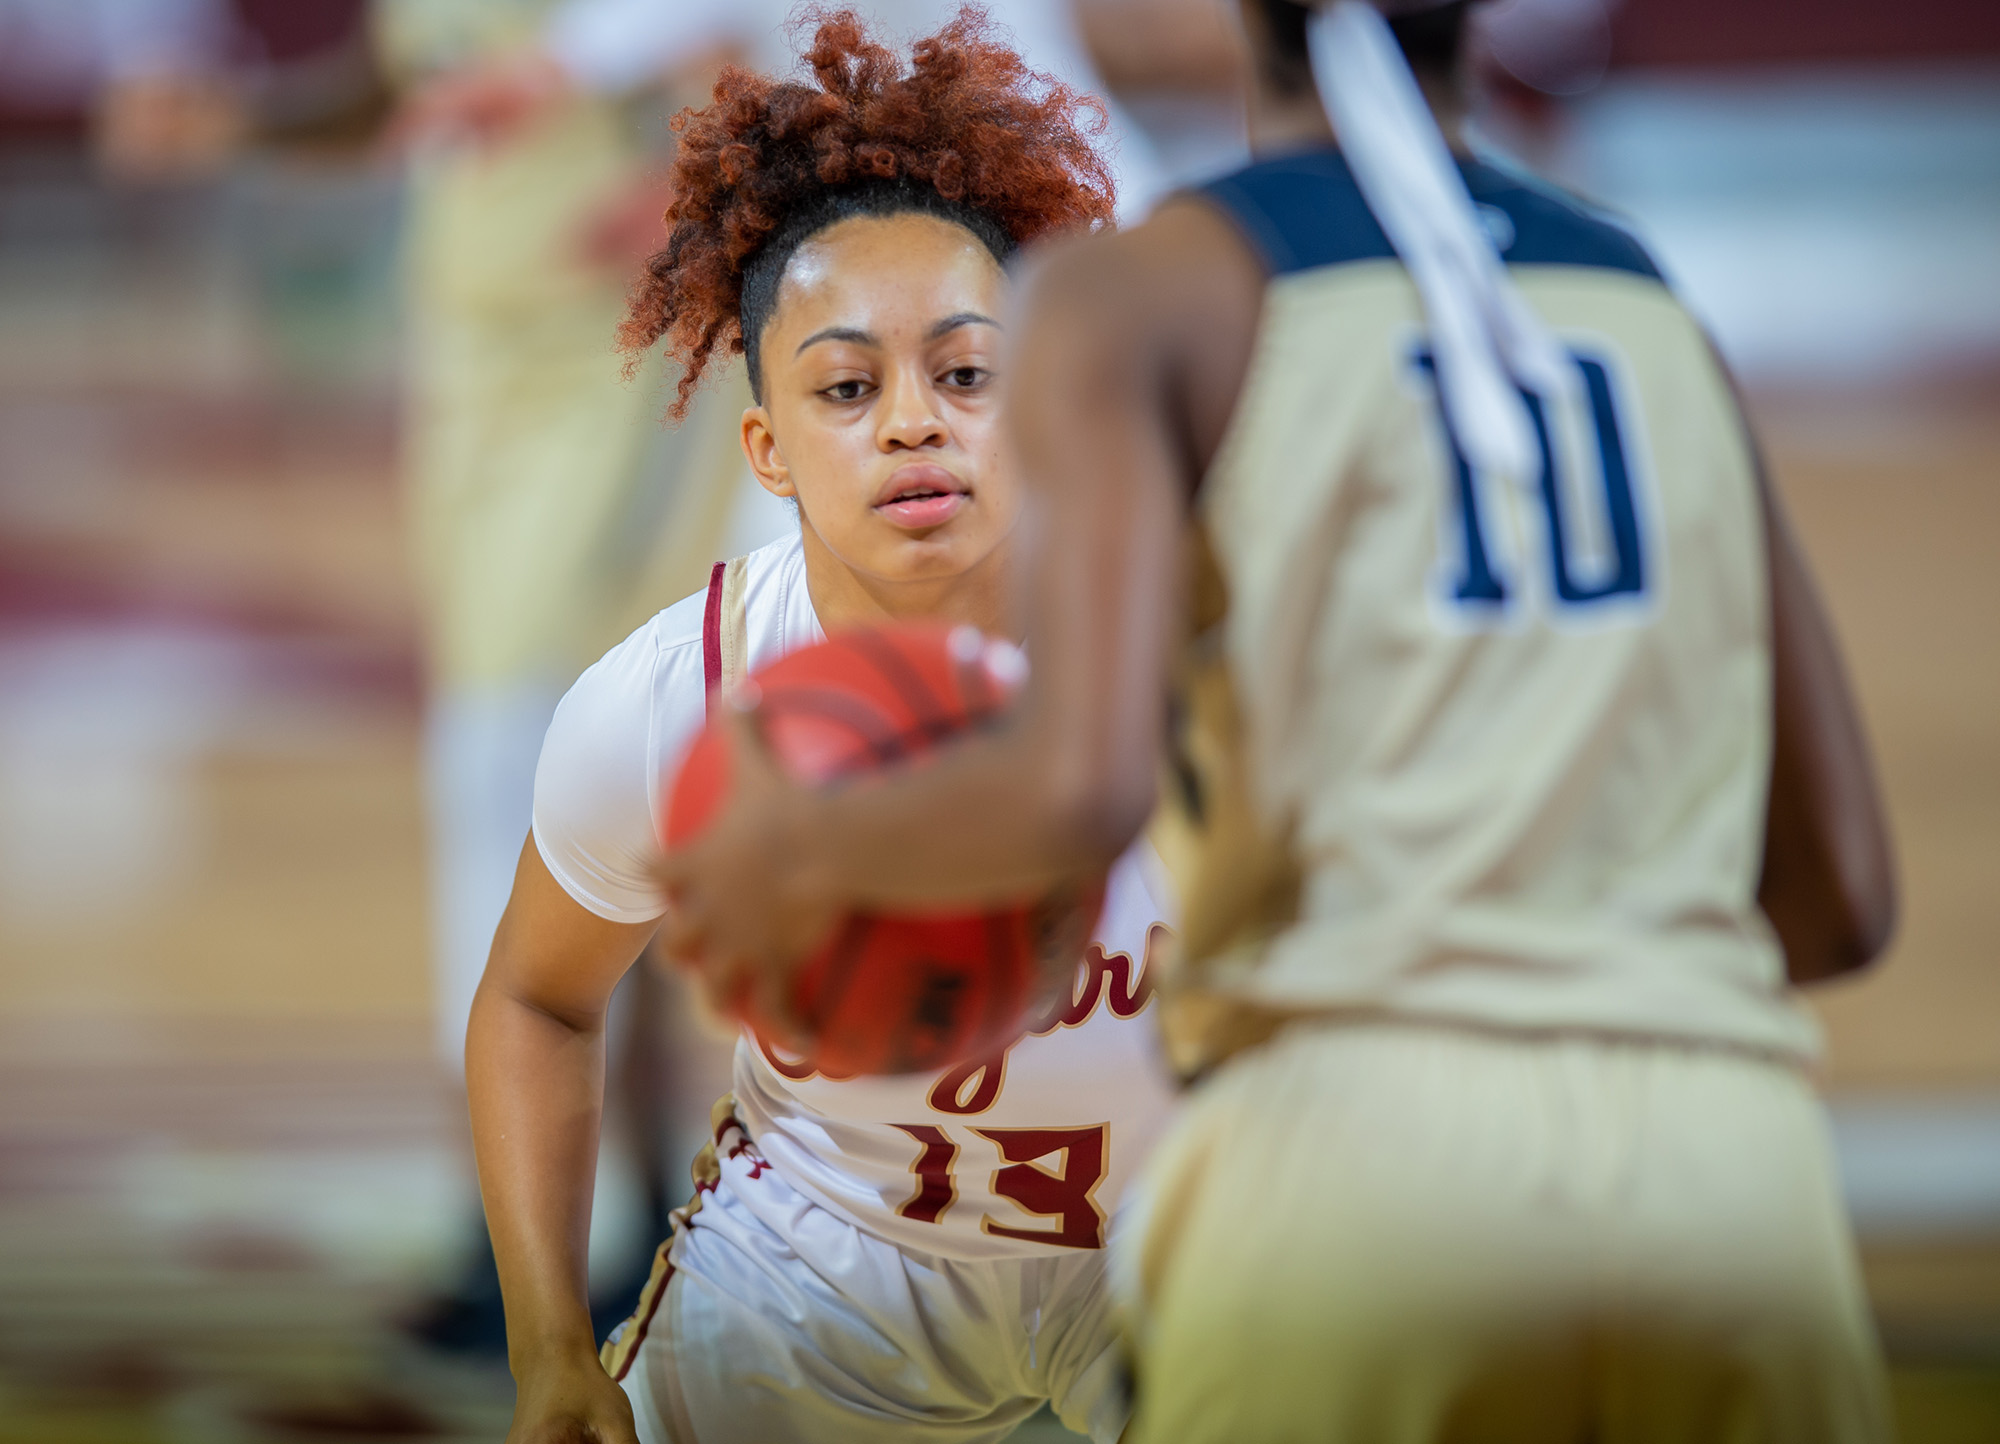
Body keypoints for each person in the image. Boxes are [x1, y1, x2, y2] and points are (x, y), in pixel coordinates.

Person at [655, 1, 1901, 1441]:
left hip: (1356, 1167)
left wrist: (800, 844)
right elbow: (1843, 902)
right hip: (1730, 1181)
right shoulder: (1647, 300)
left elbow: (1081, 789)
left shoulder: (1145, 295)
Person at [467, 11, 1179, 1443]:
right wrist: (549, 1350)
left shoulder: (1192, 648)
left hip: (1182, 1241)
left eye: (966, 374)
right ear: (768, 448)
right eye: (848, 388)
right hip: (826, 1258)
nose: (914, 423)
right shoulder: (679, 698)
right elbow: (539, 1001)